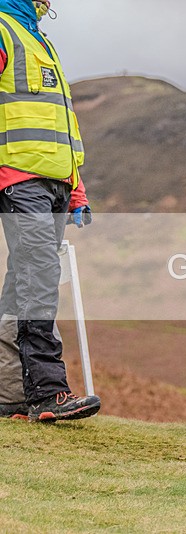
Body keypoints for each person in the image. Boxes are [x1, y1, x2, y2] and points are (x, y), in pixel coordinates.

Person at [0, 0, 100, 422]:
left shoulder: (40, 39)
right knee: (40, 277)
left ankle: (10, 394)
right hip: (17, 179)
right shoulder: (4, 28)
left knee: (22, 281)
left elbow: (61, 126)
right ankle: (47, 392)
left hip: (55, 183)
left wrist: (75, 189)